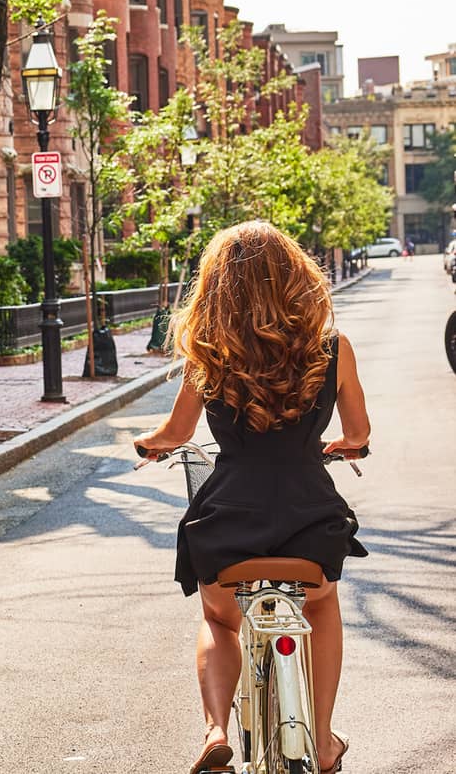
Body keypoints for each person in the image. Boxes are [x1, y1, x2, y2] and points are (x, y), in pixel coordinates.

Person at [135, 221, 369, 774]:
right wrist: (346, 445)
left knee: (220, 621)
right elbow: (357, 432)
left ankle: (216, 730)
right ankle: (325, 736)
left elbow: (175, 434)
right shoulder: (332, 347)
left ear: (216, 284)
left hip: (228, 517)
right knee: (320, 603)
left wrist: (149, 444)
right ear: (296, 275)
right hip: (309, 515)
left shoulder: (209, 350)